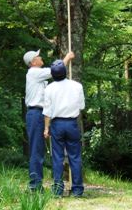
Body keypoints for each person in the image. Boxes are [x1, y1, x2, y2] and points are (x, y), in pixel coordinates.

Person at [23, 49, 74, 191]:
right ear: (33, 62)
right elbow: (55, 71)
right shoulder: (34, 72)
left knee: (41, 150)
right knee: (36, 150)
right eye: (38, 56)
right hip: (35, 114)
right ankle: (35, 186)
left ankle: (41, 184)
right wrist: (67, 58)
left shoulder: (39, 77)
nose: (40, 57)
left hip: (43, 114)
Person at [43, 59, 85, 197]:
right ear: (65, 72)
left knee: (57, 158)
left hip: (57, 125)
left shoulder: (49, 88)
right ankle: (77, 190)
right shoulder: (77, 86)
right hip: (72, 123)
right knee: (75, 157)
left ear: (53, 74)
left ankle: (57, 191)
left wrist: (46, 128)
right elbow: (81, 106)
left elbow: (47, 112)